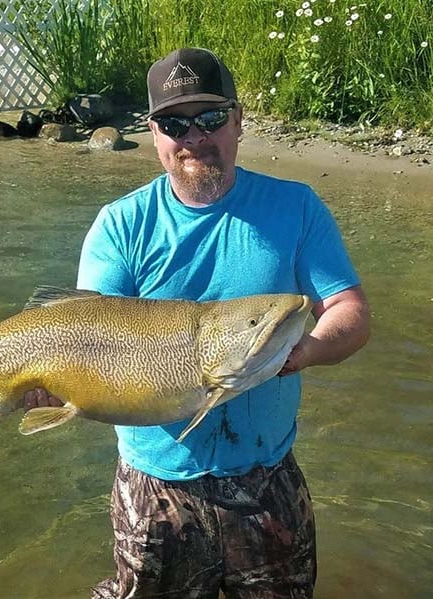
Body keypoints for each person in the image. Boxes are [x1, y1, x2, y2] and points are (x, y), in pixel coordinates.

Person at [24, 47, 370, 598]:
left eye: (209, 119)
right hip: (153, 485)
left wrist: (305, 351)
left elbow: (348, 310)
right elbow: (88, 335)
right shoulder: (119, 225)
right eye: (174, 123)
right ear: (153, 132)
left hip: (268, 478)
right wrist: (54, 389)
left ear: (238, 121)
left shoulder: (296, 206)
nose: (194, 137)